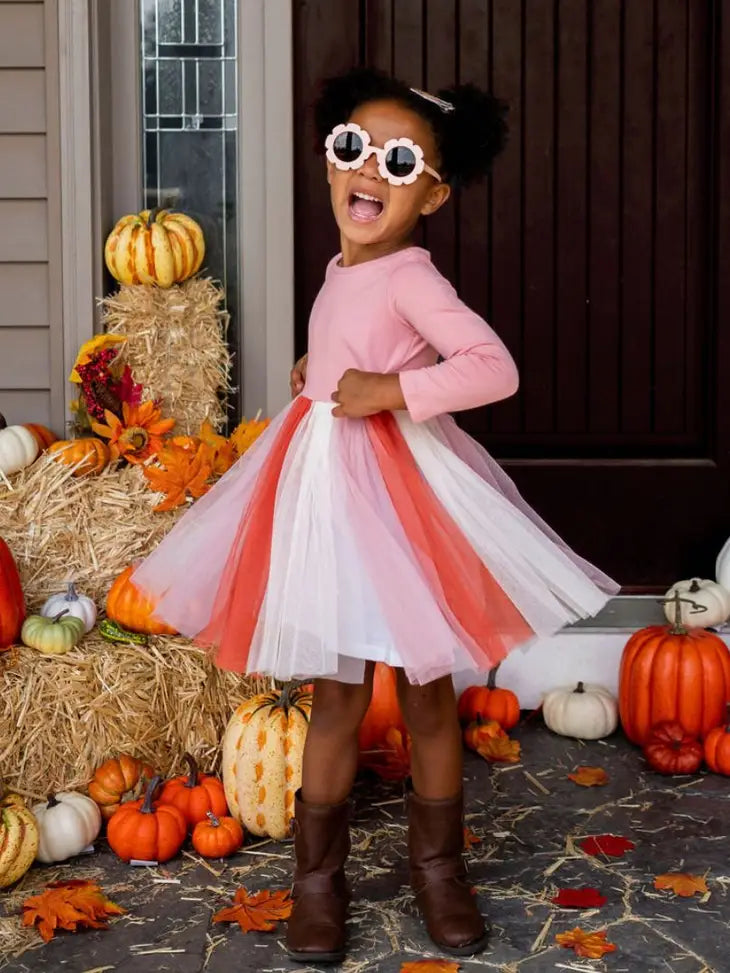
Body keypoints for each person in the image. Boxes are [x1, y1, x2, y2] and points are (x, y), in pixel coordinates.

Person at [131, 66, 618, 964]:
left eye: (400, 162)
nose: (370, 171)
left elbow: (492, 367)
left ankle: (439, 871)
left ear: (431, 195)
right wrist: (315, 375)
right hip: (328, 504)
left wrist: (389, 389)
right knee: (337, 695)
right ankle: (318, 881)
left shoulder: (411, 276)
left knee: (427, 693)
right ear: (329, 162)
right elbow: (348, 348)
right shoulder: (340, 268)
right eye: (354, 148)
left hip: (398, 505)